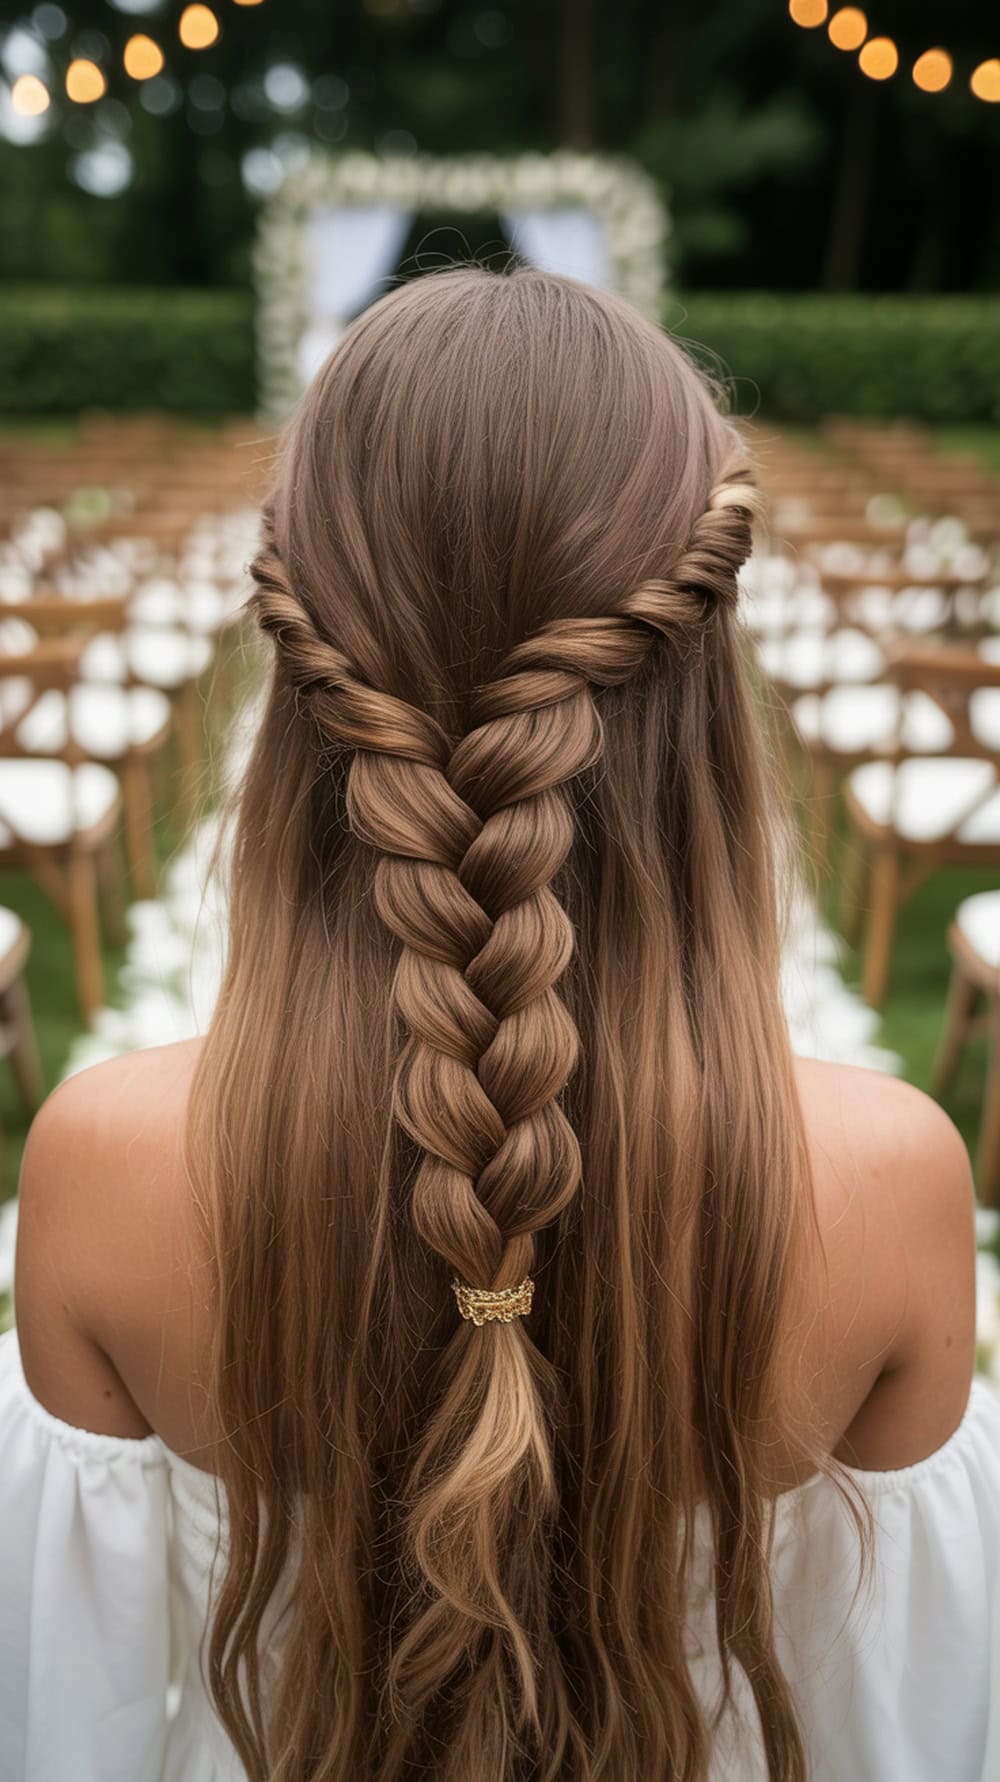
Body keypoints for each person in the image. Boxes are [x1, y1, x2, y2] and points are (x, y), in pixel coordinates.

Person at [1, 267, 998, 1782]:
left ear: (297, 667)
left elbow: (62, 1726)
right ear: (704, 671)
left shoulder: (106, 1165)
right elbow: (908, 1740)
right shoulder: (887, 1179)